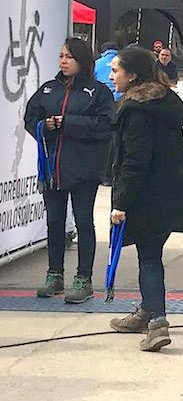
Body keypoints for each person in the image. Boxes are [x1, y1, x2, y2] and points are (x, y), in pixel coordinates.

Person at [106, 45, 183, 352]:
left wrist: (120, 203)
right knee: (150, 254)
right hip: (172, 193)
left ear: (132, 75)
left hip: (147, 197)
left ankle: (157, 322)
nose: (111, 76)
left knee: (148, 258)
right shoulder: (166, 102)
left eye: (116, 71)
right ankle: (147, 311)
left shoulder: (136, 111)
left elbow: (135, 161)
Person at [23, 37, 115, 303]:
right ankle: (54, 274)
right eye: (61, 56)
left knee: (84, 221)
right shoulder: (48, 89)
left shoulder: (98, 92)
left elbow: (106, 125)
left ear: (82, 60)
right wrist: (45, 125)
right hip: (52, 168)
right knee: (54, 221)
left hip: (84, 168)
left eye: (69, 57)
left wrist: (69, 123)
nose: (63, 61)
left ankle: (84, 278)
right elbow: (30, 117)